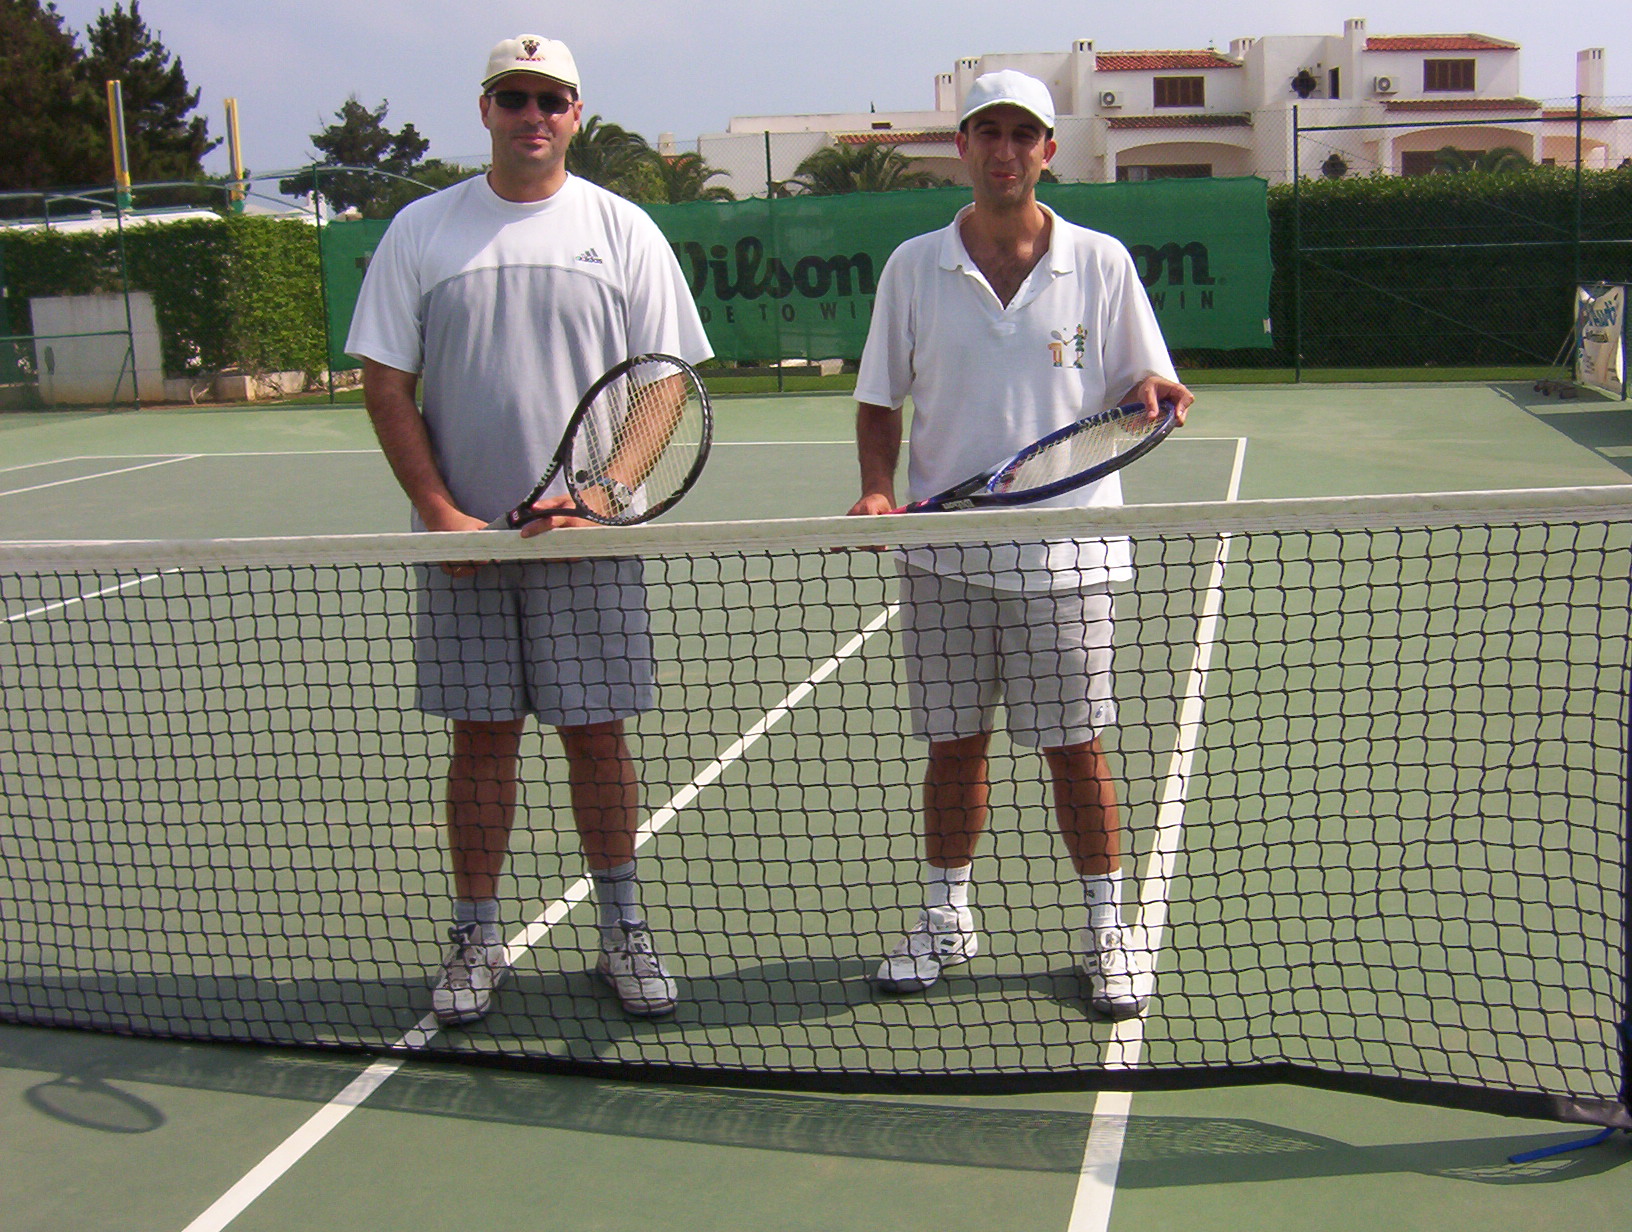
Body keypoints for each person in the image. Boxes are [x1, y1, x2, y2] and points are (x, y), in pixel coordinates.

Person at [345, 34, 712, 1024]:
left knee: (597, 736)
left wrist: (605, 493)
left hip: (588, 543)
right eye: (514, 98)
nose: (533, 116)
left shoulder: (623, 228)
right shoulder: (423, 230)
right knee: (481, 739)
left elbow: (665, 382)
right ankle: (476, 936)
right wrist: (440, 514)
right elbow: (386, 381)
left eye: (552, 99)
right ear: (486, 110)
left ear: (576, 114)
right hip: (465, 550)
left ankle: (623, 929)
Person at [847, 70, 1193, 1018]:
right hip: (945, 560)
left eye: (1022, 134)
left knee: (1074, 750)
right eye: (987, 132)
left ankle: (1106, 929)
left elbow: (1144, 385)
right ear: (962, 146)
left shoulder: (1102, 262)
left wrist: (1153, 395)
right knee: (954, 748)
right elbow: (879, 400)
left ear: (1048, 149)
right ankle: (947, 915)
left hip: (1070, 561)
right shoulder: (912, 267)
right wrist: (878, 490)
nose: (1005, 150)